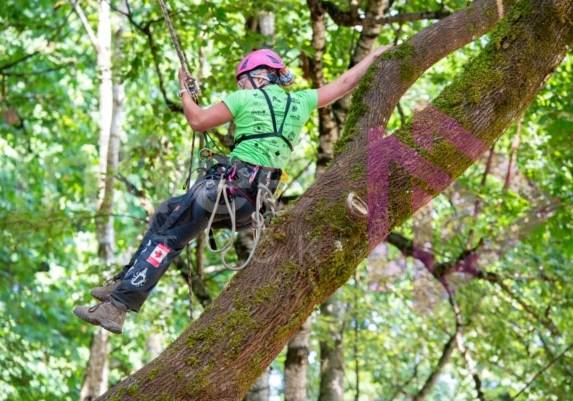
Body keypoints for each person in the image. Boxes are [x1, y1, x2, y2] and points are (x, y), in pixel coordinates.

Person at [73, 45, 393, 334]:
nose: (239, 87)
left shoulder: (245, 99)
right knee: (166, 215)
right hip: (252, 204)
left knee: (168, 236)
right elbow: (346, 83)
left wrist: (185, 92)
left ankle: (117, 308)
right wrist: (374, 56)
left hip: (226, 190)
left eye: (242, 81)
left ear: (256, 77)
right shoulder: (301, 100)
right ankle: (123, 282)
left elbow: (198, 121)